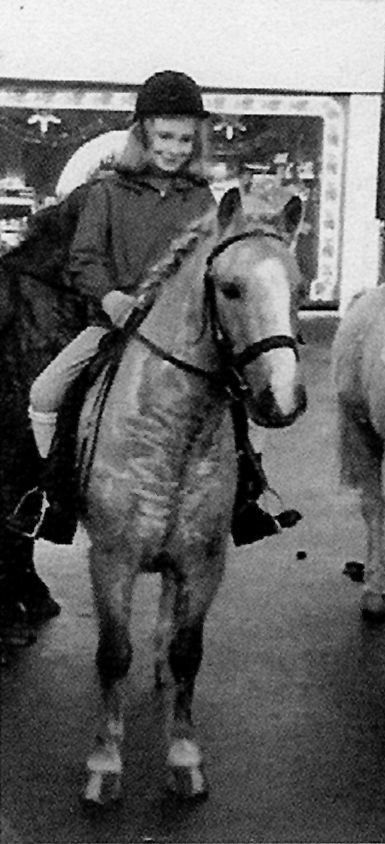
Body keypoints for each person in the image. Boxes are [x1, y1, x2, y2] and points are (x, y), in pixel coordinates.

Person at [9, 70, 298, 545]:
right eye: (165, 136)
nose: (175, 148)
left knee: (246, 397)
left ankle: (248, 496)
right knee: (45, 393)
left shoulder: (201, 198)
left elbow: (213, 265)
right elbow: (84, 260)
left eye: (186, 139)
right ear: (143, 135)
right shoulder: (106, 193)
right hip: (114, 325)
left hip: (186, 335)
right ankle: (53, 497)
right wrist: (111, 298)